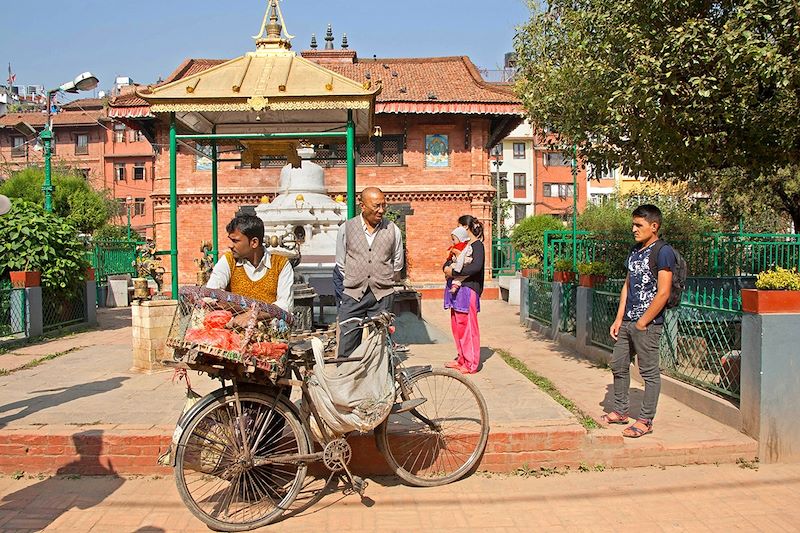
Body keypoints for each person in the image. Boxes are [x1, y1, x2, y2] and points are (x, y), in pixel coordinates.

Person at [604, 204, 675, 438]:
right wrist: (619, 318)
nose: (634, 229)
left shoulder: (663, 251)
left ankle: (646, 419)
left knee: (649, 372)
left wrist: (643, 322)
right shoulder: (635, 251)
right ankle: (621, 411)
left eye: (639, 225)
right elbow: (627, 285)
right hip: (627, 322)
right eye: (633, 224)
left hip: (648, 324)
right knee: (618, 364)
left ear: (654, 226)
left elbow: (663, 292)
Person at [335, 187, 404, 358]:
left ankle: (382, 383)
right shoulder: (346, 229)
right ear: (362, 206)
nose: (381, 210)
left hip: (382, 296)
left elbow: (397, 263)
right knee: (347, 345)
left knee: (381, 347)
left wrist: (380, 278)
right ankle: (347, 382)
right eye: (376, 206)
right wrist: (356, 279)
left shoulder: (392, 230)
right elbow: (341, 263)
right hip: (353, 295)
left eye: (383, 205)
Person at [206, 214, 294, 312]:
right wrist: (248, 312)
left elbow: (284, 306)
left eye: (235, 241)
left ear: (254, 242)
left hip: (270, 326)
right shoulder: (229, 260)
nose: (230, 246)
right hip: (231, 325)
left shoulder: (280, 265)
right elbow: (211, 295)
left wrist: (249, 315)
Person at [443, 215, 485, 374]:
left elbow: (475, 268)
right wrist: (447, 268)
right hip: (456, 291)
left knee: (468, 327)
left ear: (465, 228)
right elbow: (447, 262)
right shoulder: (460, 246)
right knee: (457, 326)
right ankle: (461, 358)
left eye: (459, 226)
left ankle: (471, 363)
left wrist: (453, 271)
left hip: (468, 290)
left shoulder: (477, 246)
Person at [446, 226, 472, 295]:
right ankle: (449, 277)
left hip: (463, 264)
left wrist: (456, 269)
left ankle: (454, 287)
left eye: (453, 239)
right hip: (458, 263)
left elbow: (462, 258)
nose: (453, 242)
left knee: (458, 279)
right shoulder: (459, 246)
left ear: (460, 238)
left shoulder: (466, 247)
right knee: (450, 268)